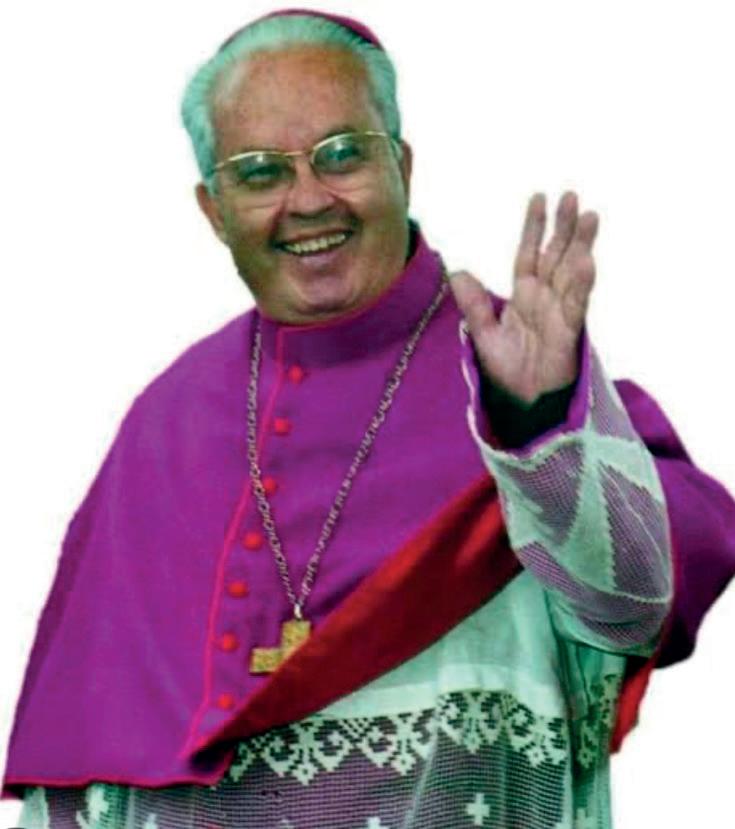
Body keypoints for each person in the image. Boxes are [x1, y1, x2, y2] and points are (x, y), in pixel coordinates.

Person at [3, 8, 734, 829]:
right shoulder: (167, 420)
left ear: (402, 167)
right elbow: (83, 769)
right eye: (259, 172)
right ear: (214, 210)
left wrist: (537, 427)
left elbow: (635, 606)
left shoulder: (517, 371)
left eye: (343, 154)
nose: (309, 200)